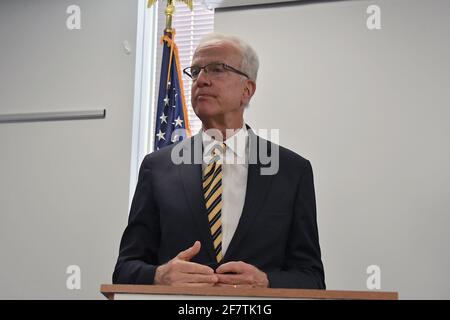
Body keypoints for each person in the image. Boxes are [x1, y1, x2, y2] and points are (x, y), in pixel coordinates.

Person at [113, 33, 325, 289]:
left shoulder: (292, 171)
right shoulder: (156, 168)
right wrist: (159, 276)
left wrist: (266, 282)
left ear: (247, 90)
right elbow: (125, 269)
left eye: (217, 69)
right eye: (195, 71)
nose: (201, 80)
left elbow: (311, 278)